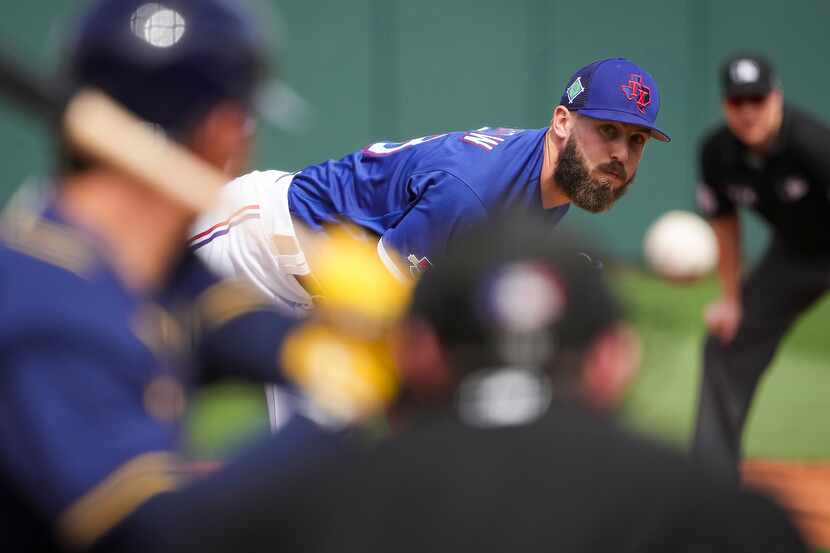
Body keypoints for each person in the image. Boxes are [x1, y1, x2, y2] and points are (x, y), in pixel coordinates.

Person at [0, 1, 358, 551]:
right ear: (222, 131)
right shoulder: (47, 311)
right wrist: (339, 413)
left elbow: (228, 323)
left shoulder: (124, 262)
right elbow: (155, 532)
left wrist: (343, 335)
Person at [271, 212, 806, 553]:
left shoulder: (318, 509)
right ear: (612, 360)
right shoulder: (732, 520)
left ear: (418, 352)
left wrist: (324, 414)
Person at [191, 57, 672, 425]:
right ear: (563, 122)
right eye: (607, 130)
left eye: (636, 141)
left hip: (313, 285)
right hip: (251, 236)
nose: (620, 154)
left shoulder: (548, 181)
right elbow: (381, 300)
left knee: (309, 473)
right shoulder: (473, 191)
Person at [692, 53, 830, 482]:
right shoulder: (717, 152)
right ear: (724, 106)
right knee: (726, 343)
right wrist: (730, 299)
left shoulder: (814, 145)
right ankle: (711, 485)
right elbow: (725, 223)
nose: (749, 111)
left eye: (757, 99)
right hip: (791, 257)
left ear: (777, 98)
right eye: (738, 102)